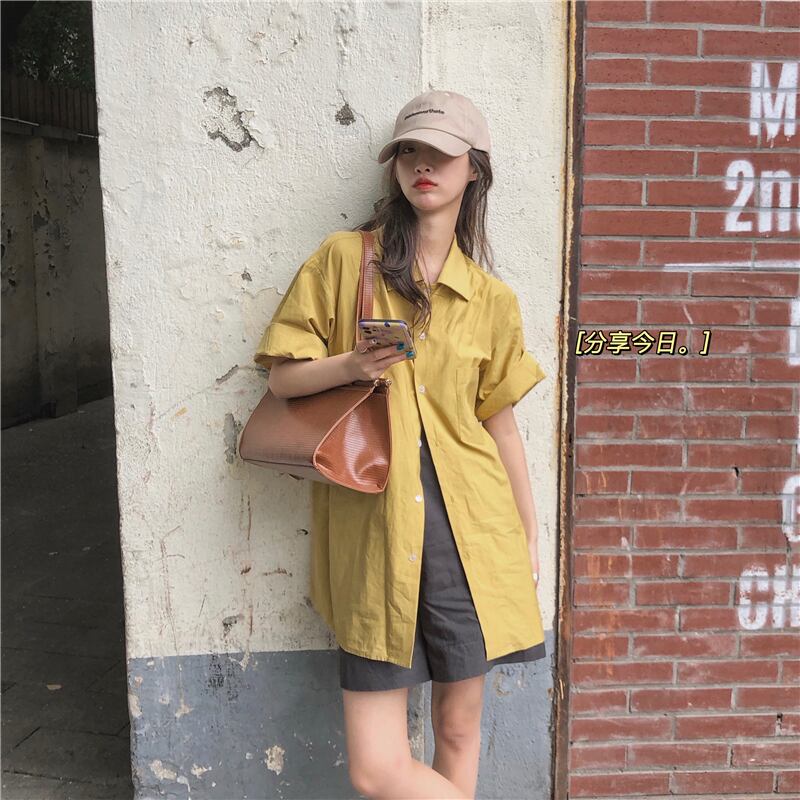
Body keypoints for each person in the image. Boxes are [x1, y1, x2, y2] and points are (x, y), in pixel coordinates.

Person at [253, 89, 548, 799]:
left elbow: (500, 425)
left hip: (473, 534)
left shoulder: (491, 300)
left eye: (441, 154)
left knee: (458, 730)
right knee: (377, 768)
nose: (423, 165)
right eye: (409, 151)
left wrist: (530, 536)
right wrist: (353, 367)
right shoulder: (343, 261)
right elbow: (283, 379)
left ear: (474, 169)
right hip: (376, 534)